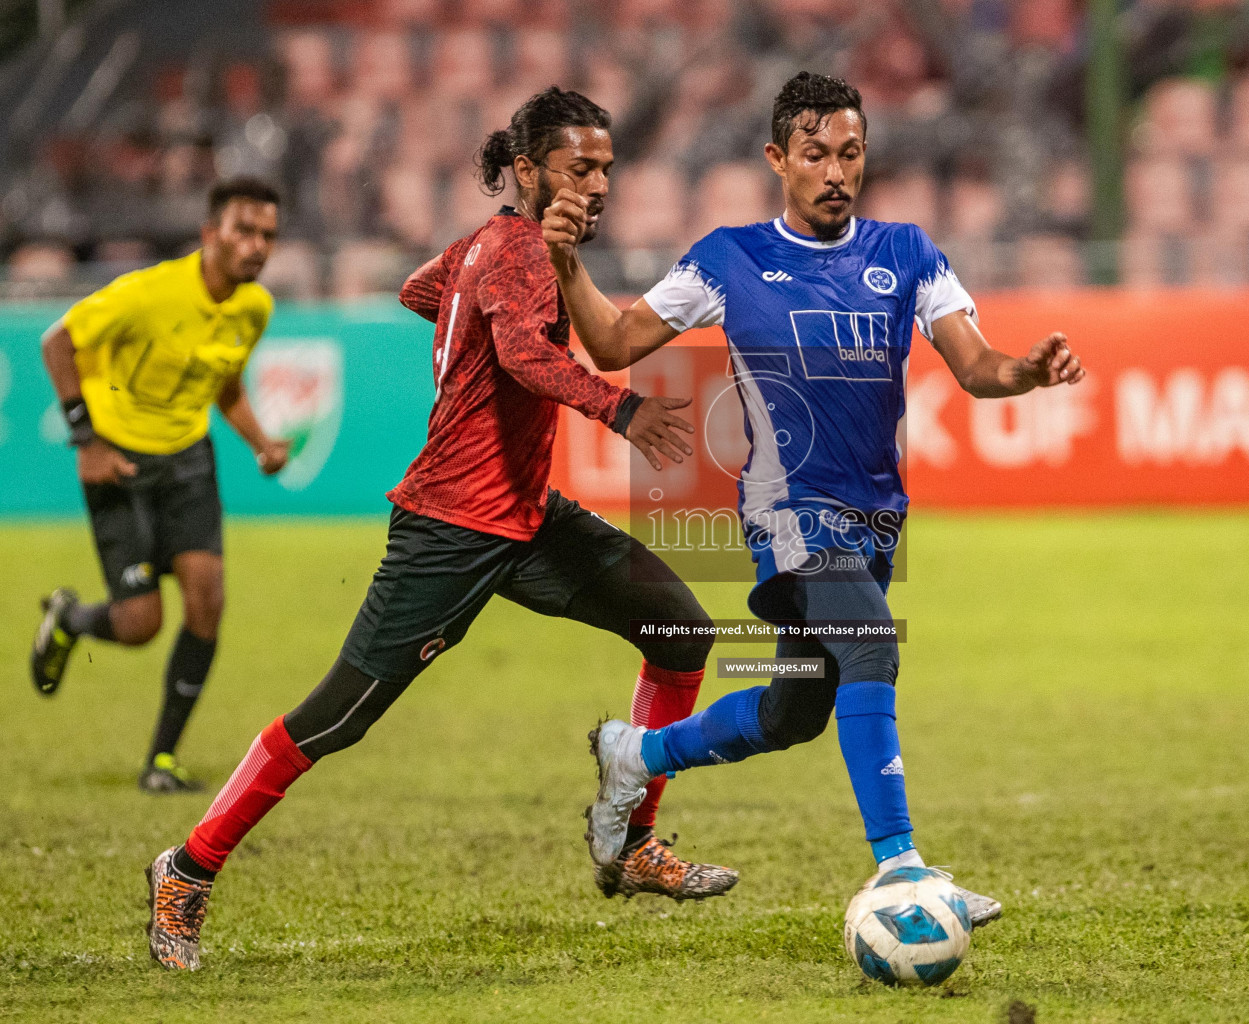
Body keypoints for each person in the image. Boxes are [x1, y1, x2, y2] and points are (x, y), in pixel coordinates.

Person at [143, 87, 736, 972]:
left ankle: (630, 838)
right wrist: (620, 410)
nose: (601, 183)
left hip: (528, 516)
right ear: (529, 171)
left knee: (680, 632)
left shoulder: (489, 246)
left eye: (607, 168)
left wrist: (476, 315)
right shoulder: (521, 250)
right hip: (450, 528)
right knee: (337, 716)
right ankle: (187, 868)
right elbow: (525, 356)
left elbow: (421, 288)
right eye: (582, 168)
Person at [542, 72, 1087, 926]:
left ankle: (636, 753)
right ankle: (902, 869)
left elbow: (979, 369)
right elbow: (611, 342)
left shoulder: (907, 253)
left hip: (872, 519)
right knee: (870, 646)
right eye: (816, 154)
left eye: (851, 153)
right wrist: (567, 263)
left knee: (796, 708)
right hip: (789, 510)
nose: (836, 172)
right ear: (777, 160)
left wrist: (1029, 370)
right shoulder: (728, 259)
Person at [31, 178, 290, 793]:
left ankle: (162, 761)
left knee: (207, 601)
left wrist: (260, 442)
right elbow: (57, 341)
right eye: (244, 231)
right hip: (118, 464)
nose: (257, 247)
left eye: (268, 236)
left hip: (187, 464)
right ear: (210, 234)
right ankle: (69, 621)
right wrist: (86, 440)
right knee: (141, 623)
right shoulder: (148, 294)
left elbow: (225, 384)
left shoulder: (254, 307)